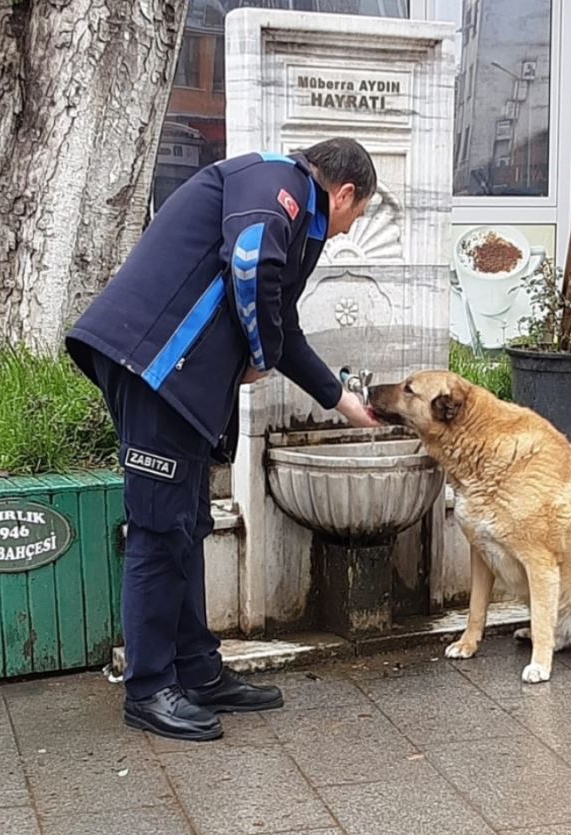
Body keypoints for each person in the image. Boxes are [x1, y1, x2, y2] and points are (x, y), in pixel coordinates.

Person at [66, 138, 381, 742]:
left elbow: (281, 322)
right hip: (152, 364)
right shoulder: (276, 186)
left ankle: (197, 670)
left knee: (186, 524)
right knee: (160, 529)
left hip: (173, 377)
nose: (345, 232)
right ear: (344, 193)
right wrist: (258, 356)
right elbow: (250, 262)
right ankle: (149, 687)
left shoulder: (296, 210)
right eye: (355, 217)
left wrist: (340, 401)